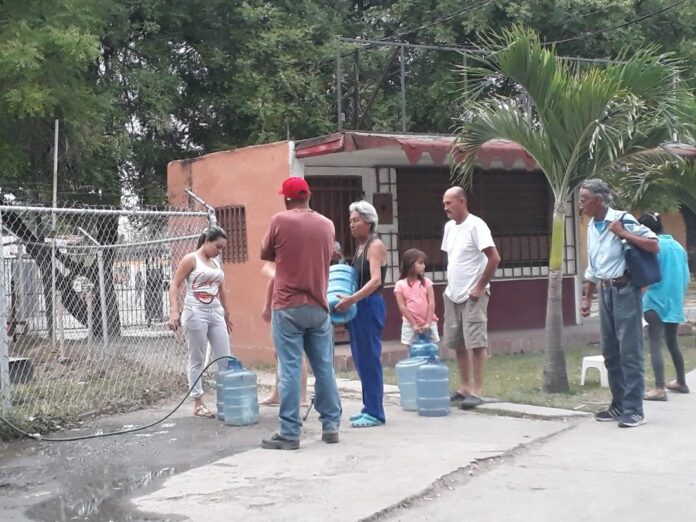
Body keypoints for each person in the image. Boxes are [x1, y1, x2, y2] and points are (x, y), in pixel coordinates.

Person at [260, 177, 342, 450]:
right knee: (324, 368)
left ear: (286, 198)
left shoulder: (280, 220)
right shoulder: (328, 225)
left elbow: (266, 254)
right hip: (319, 306)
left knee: (291, 368)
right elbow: (330, 256)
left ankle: (290, 432)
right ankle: (331, 426)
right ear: (309, 195)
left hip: (288, 306)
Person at [579, 179, 658, 428]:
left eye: (584, 199)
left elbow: (654, 244)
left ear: (598, 201)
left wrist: (622, 233)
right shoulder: (592, 225)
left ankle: (635, 409)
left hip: (625, 290)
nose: (581, 203)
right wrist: (587, 296)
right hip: (604, 291)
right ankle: (619, 405)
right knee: (610, 352)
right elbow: (594, 266)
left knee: (629, 351)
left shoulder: (622, 219)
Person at [441, 187, 500, 410]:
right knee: (458, 343)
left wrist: (480, 286)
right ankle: (464, 387)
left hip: (473, 294)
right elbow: (453, 258)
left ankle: (477, 390)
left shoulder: (476, 225)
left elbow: (494, 258)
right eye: (444, 204)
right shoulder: (449, 228)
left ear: (462, 201)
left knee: (476, 342)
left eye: (449, 203)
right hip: (453, 293)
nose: (446, 208)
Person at [168, 225, 233, 418]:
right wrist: (174, 311)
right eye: (218, 246)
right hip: (195, 312)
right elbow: (174, 285)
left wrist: (226, 313)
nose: (219, 251)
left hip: (215, 312)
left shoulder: (216, 263)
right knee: (197, 358)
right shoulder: (191, 259)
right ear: (207, 241)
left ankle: (227, 400)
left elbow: (221, 290)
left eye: (222, 248)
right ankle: (198, 402)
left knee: (225, 358)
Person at [335, 201, 388, 428]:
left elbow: (375, 280)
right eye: (350, 221)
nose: (352, 225)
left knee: (369, 358)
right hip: (359, 306)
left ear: (369, 221)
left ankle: (376, 412)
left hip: (369, 305)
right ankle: (369, 407)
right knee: (360, 358)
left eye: (356, 220)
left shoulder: (375, 246)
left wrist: (352, 299)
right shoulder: (359, 247)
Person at [638, 212, 691, 399]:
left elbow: (646, 275)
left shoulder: (653, 247)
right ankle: (681, 382)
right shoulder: (678, 247)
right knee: (672, 341)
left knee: (654, 343)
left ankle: (659, 388)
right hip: (675, 301)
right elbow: (686, 276)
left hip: (654, 301)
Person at [260, 261, 310, 407]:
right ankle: (277, 394)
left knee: (296, 351)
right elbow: (272, 279)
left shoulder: (298, 255)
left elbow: (270, 273)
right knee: (278, 352)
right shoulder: (282, 255)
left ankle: (302, 396)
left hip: (293, 307)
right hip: (280, 306)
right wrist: (267, 305)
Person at [394, 248, 439, 346]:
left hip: (429, 322)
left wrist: (428, 322)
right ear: (410, 264)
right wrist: (414, 324)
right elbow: (402, 306)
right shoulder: (400, 284)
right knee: (412, 351)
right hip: (410, 324)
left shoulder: (427, 282)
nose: (424, 266)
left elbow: (431, 303)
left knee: (431, 349)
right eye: (420, 263)